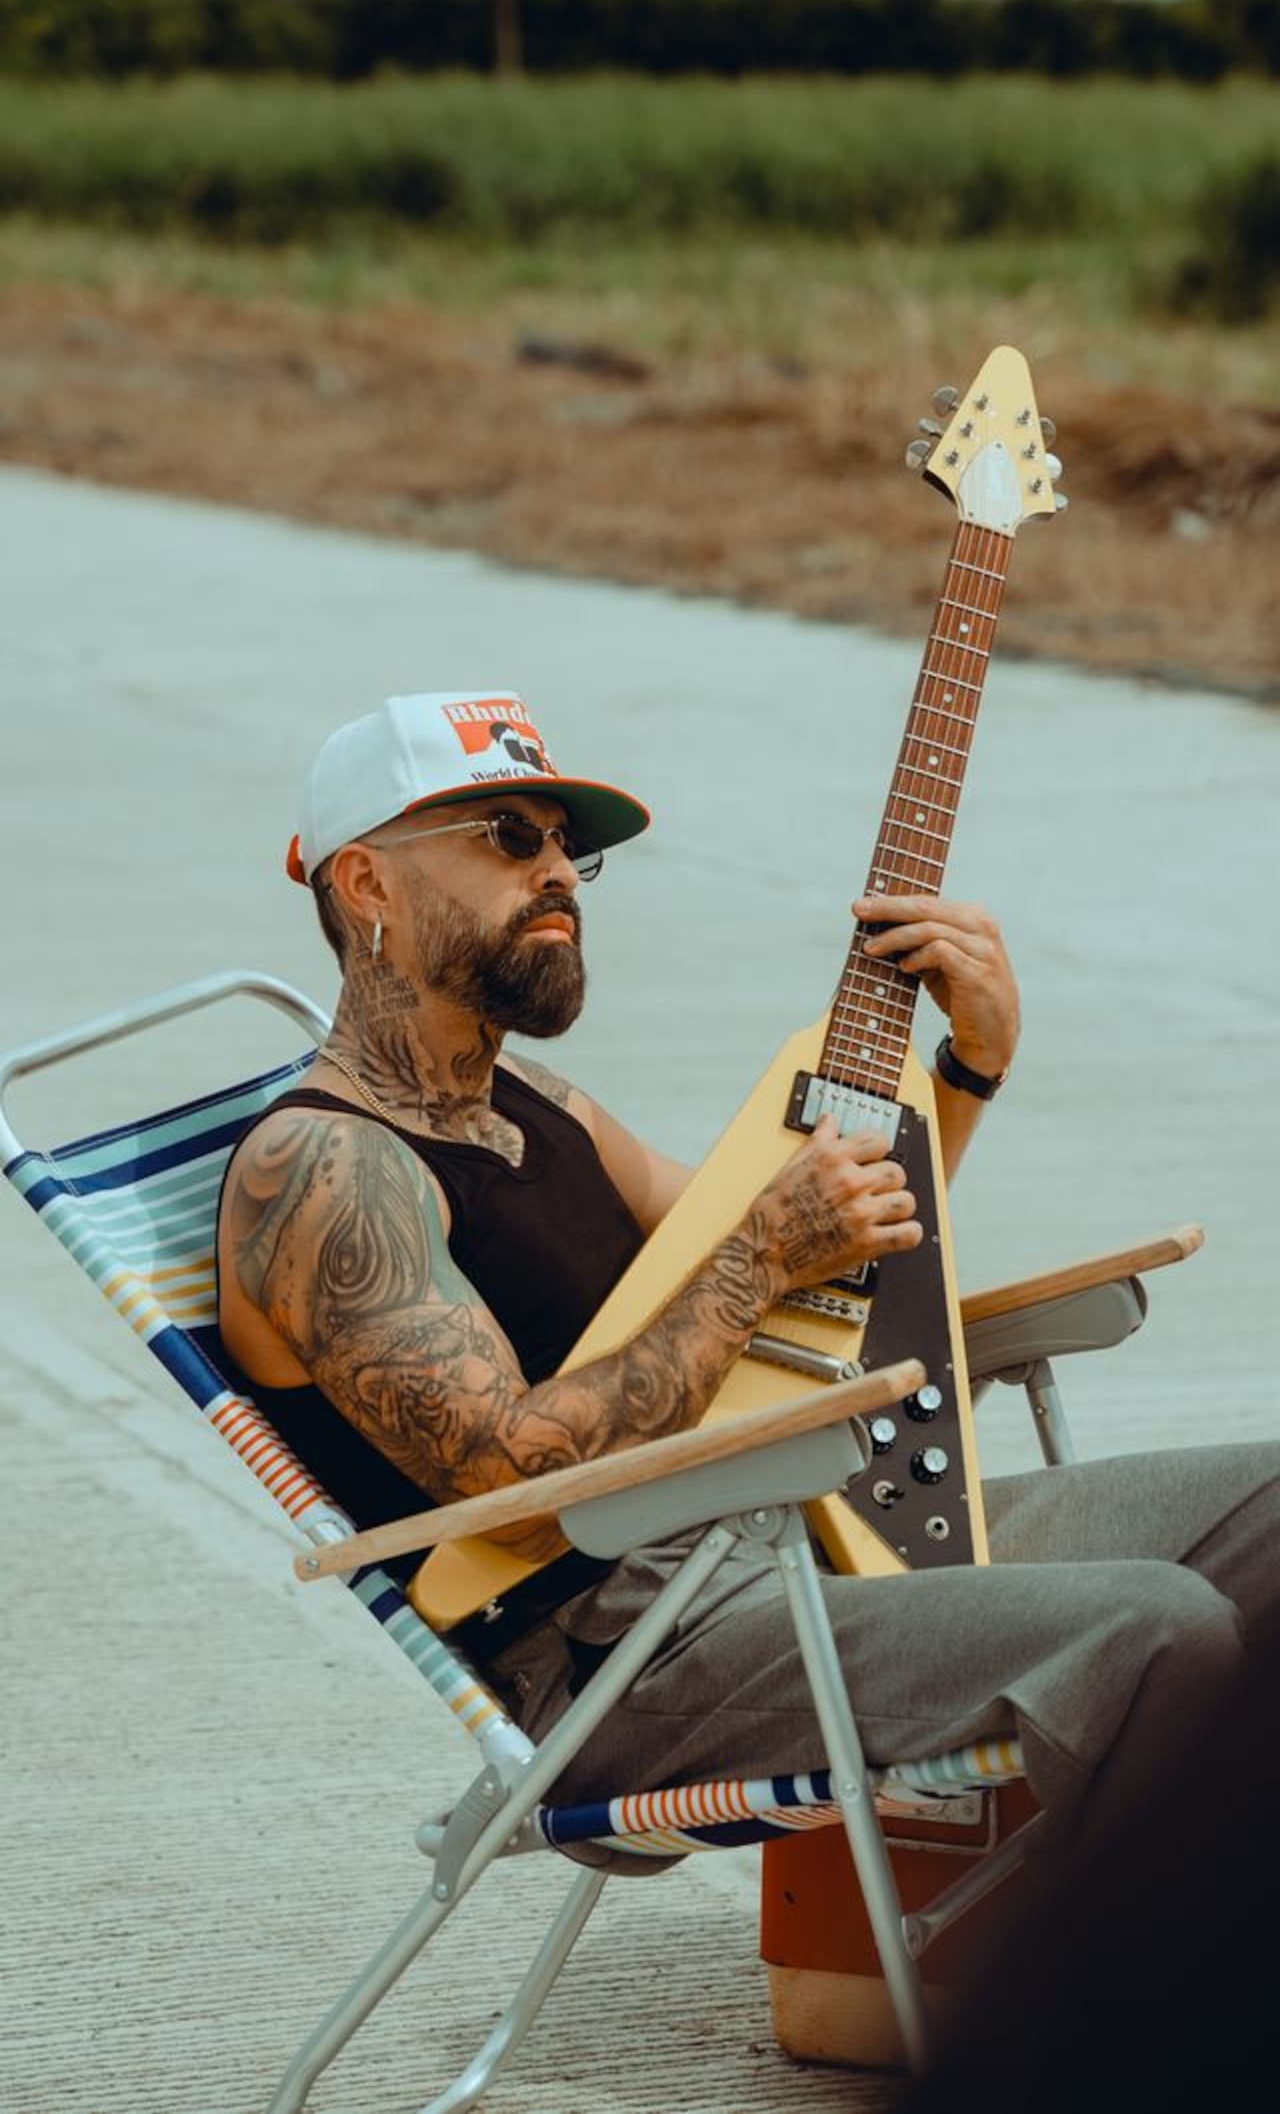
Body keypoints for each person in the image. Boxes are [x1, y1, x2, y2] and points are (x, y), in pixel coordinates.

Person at [216, 688, 1278, 1854]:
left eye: (570, 845)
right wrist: (758, 1251)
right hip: (628, 1652)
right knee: (1153, 1628)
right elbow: (512, 1470)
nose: (558, 871)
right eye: (510, 837)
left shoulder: (536, 1107)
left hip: (799, 1535)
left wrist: (964, 1070)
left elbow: (826, 1263)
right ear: (366, 883)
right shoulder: (320, 1166)